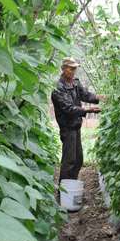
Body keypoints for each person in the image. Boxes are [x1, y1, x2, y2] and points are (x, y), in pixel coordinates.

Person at [51, 57, 103, 186]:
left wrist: (99, 97)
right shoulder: (58, 88)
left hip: (76, 125)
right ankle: (63, 192)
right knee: (69, 161)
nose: (73, 71)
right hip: (67, 128)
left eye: (75, 68)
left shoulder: (75, 82)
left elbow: (85, 95)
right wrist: (88, 110)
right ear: (63, 69)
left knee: (78, 160)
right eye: (71, 68)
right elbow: (69, 109)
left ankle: (71, 186)